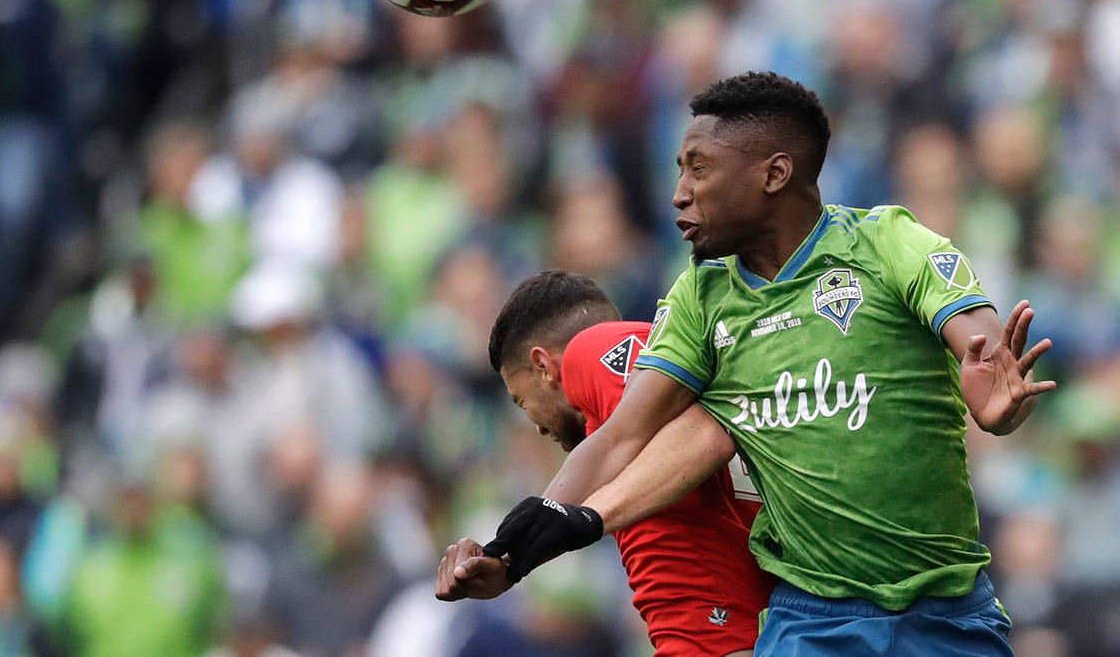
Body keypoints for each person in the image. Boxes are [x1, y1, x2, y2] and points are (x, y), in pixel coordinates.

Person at [443, 72, 1055, 654]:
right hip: (813, 621)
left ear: (774, 174)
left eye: (700, 170)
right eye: (680, 170)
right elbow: (618, 439)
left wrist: (992, 397)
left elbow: (978, 344)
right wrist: (512, 553)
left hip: (946, 610)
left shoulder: (889, 243)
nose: (680, 193)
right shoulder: (701, 300)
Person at [436, 270, 775, 656]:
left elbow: (699, 439)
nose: (537, 430)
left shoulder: (598, 349)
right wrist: (513, 558)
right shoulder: (657, 416)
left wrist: (521, 551)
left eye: (521, 401)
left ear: (544, 366)